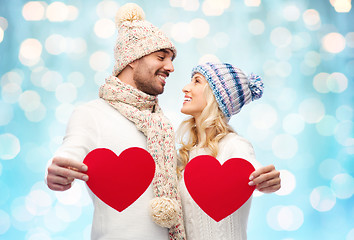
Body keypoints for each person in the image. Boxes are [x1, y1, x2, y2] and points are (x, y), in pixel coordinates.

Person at [46, 3, 186, 240]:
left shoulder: (161, 125)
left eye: (171, 59)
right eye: (161, 57)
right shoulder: (92, 114)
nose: (170, 67)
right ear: (132, 59)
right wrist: (56, 171)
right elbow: (69, 153)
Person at [177, 62, 281, 240]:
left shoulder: (234, 145)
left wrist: (269, 180)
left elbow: (254, 171)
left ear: (216, 96)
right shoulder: (185, 156)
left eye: (196, 81)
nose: (186, 88)